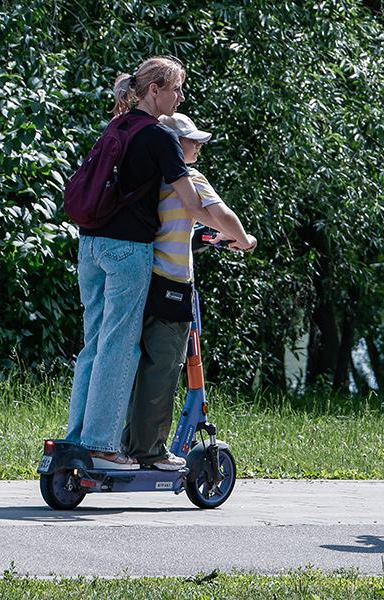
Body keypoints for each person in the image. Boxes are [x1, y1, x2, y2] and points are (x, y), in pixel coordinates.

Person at [65, 57, 227, 469]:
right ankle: (102, 446)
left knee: (94, 345)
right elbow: (192, 202)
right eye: (176, 88)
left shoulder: (115, 127)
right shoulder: (158, 136)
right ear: (154, 90)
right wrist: (234, 236)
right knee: (119, 347)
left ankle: (77, 439)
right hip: (127, 250)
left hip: (90, 245)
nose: (181, 96)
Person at [122, 112, 256, 470]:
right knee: (162, 368)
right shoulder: (188, 178)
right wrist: (244, 240)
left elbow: (170, 227)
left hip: (136, 280)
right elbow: (223, 216)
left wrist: (198, 239)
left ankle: (122, 442)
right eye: (192, 139)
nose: (198, 145)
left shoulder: (148, 178)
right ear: (174, 144)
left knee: (131, 366)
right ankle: (149, 450)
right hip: (171, 285)